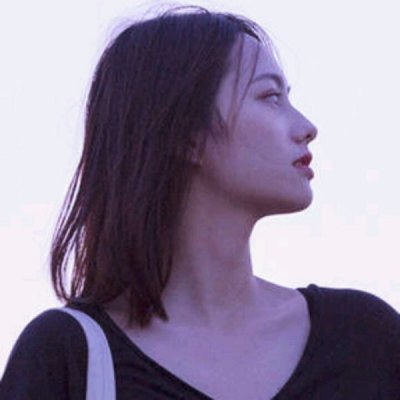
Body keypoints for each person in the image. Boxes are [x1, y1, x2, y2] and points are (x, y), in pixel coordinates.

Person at [1, 5, 399, 400]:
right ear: (185, 134)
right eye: (270, 96)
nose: (307, 128)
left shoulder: (365, 340)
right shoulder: (67, 357)